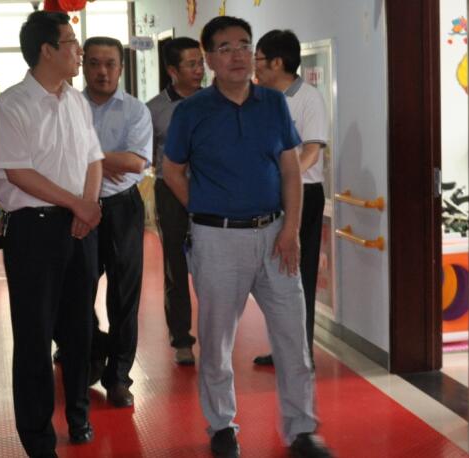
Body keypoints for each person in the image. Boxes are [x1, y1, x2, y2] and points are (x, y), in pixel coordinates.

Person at [163, 16, 333, 458]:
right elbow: (172, 170)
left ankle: (301, 430)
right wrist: (204, 208)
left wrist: (291, 229)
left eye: (244, 45)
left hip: (275, 234)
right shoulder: (192, 112)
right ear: (209, 58)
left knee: (293, 338)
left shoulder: (272, 104)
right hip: (217, 240)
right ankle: (222, 425)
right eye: (225, 48)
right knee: (217, 340)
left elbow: (291, 169)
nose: (237, 55)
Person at [0, 11, 103, 458]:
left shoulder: (76, 101)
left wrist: (87, 205)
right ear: (47, 50)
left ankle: (79, 415)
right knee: (35, 337)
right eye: (72, 42)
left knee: (80, 329)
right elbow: (18, 172)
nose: (80, 51)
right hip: (34, 230)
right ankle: (37, 437)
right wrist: (77, 203)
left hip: (80, 225)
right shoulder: (12, 105)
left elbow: (94, 160)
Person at [82, 36, 153, 406]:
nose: (102, 71)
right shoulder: (68, 106)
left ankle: (119, 377)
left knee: (124, 294)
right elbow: (57, 157)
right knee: (76, 289)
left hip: (122, 208)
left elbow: (135, 163)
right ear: (83, 66)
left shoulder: (136, 111)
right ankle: (93, 350)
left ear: (121, 68)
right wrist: (108, 159)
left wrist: (89, 158)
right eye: (94, 63)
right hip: (78, 206)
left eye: (110, 63)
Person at [252, 30, 329, 368]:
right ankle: (283, 346)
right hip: (271, 194)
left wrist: (287, 177)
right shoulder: (263, 99)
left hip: (304, 194)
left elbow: (312, 151)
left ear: (277, 63)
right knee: (275, 276)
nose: (254, 66)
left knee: (300, 273)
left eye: (258, 59)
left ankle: (301, 353)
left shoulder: (308, 98)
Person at [147, 37, 204, 365]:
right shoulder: (155, 109)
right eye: (191, 64)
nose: (199, 70)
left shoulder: (215, 101)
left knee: (214, 264)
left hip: (210, 189)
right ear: (172, 70)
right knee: (176, 266)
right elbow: (148, 157)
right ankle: (181, 338)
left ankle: (216, 332)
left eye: (201, 63)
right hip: (169, 190)